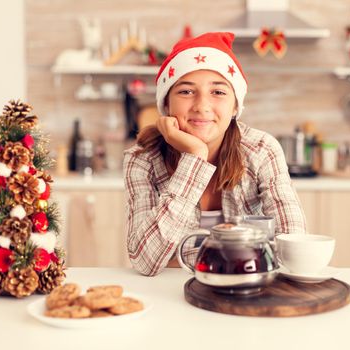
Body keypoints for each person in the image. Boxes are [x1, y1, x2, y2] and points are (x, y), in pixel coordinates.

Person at [123, 32, 306, 276]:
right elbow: (145, 261)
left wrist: (182, 258)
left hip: (244, 292)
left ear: (235, 107)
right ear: (166, 104)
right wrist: (195, 157)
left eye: (218, 92)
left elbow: (293, 246)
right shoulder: (142, 158)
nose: (202, 105)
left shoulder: (263, 149)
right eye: (186, 92)